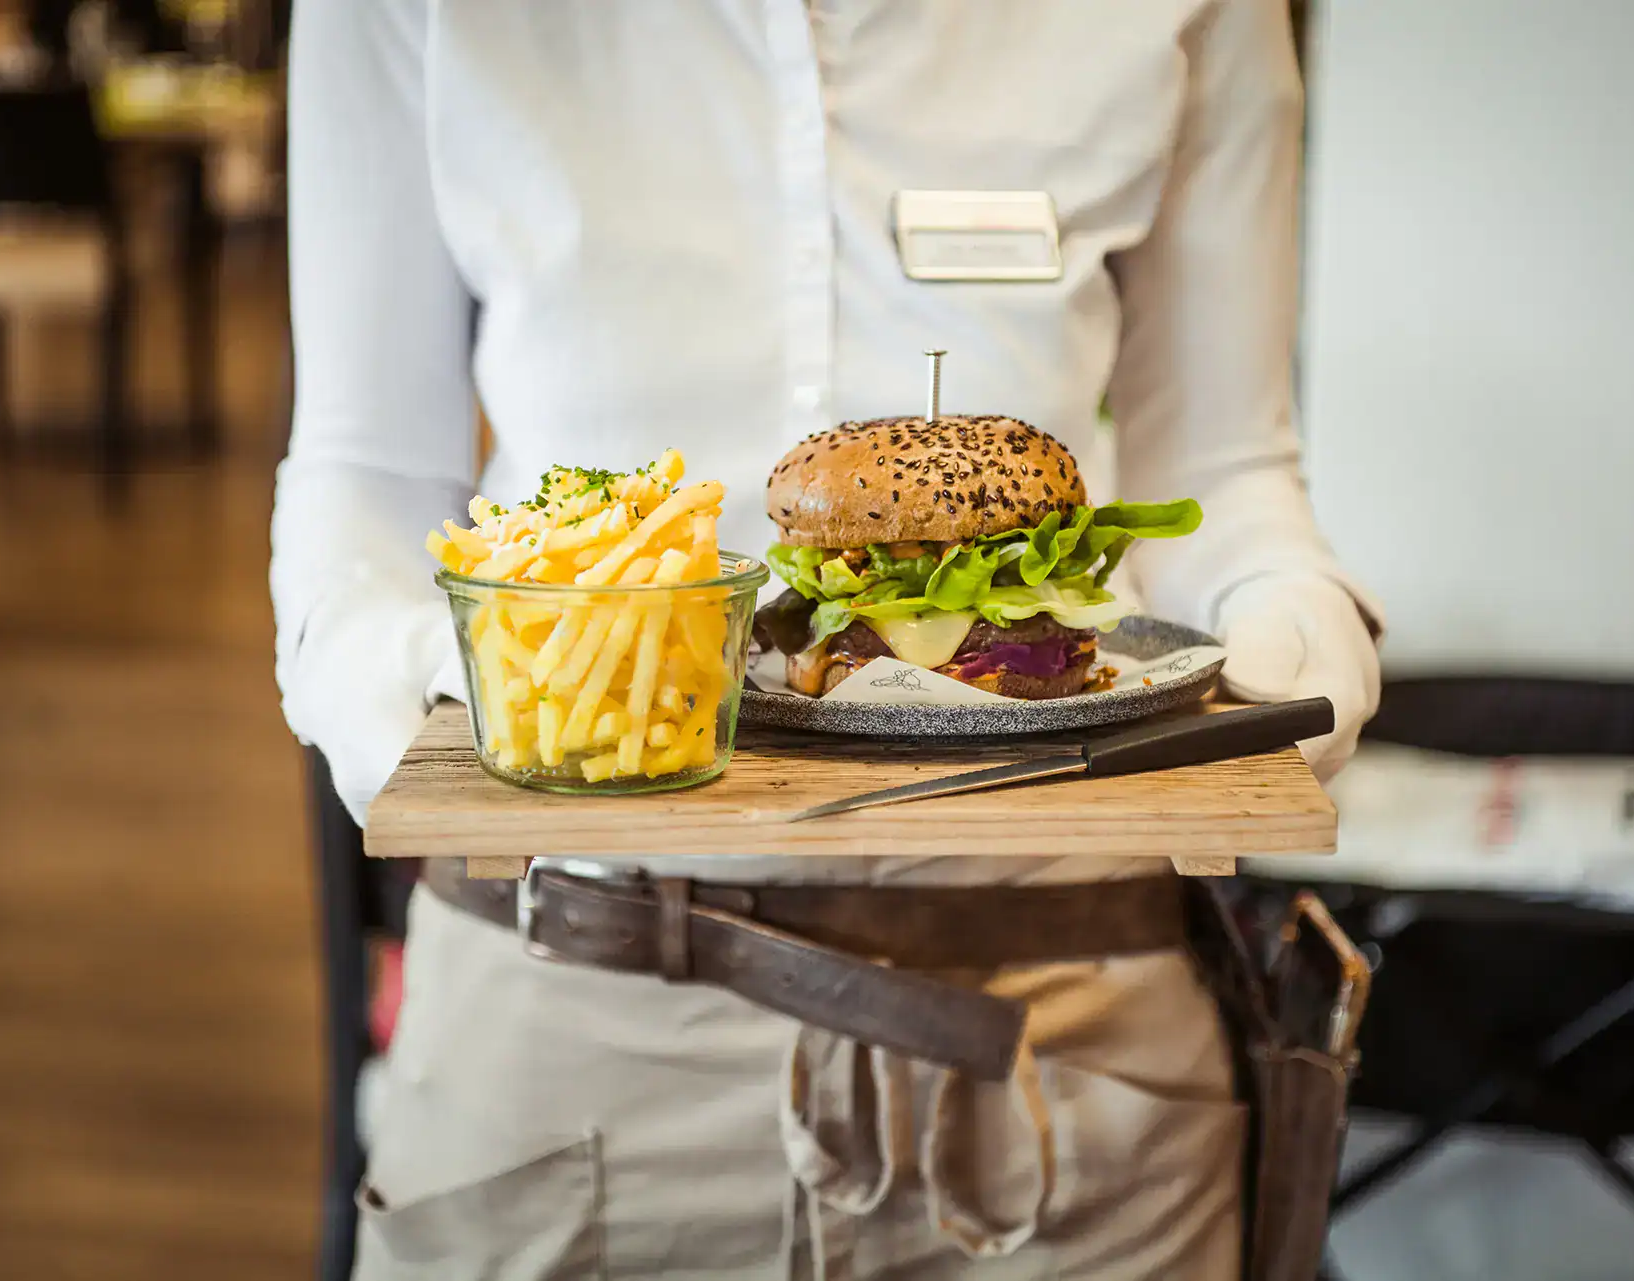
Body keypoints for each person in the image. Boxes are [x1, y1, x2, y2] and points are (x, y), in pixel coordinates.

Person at [274, 0, 1383, 1276]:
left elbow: (1225, 459)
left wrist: (1289, 606)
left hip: (1067, 1024)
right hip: (579, 992)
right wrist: (419, 697)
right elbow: (365, 471)